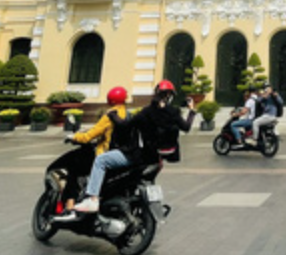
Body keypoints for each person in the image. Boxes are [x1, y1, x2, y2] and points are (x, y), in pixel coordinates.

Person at [73, 80, 195, 214]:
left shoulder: (146, 112)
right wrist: (192, 111)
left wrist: (113, 116)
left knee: (101, 160)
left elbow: (125, 125)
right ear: (170, 96)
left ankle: (93, 199)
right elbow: (187, 127)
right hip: (157, 159)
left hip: (141, 156)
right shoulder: (174, 112)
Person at [58, 86, 129, 212]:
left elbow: (88, 136)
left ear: (110, 100)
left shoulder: (110, 115)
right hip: (122, 154)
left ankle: (70, 206)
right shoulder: (128, 114)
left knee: (74, 170)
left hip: (105, 153)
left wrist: (74, 137)